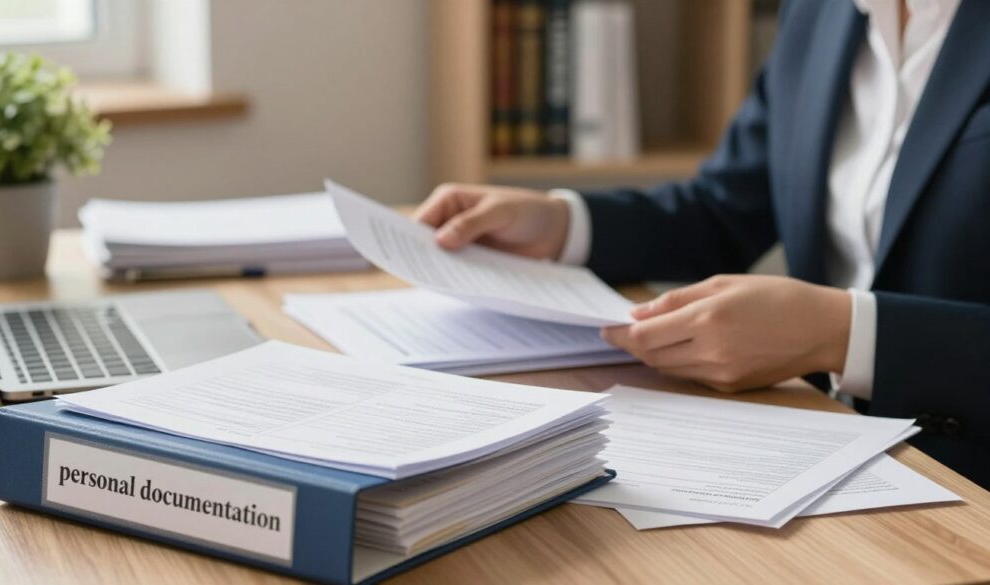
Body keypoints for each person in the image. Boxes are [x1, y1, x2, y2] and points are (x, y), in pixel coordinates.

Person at [414, 0, 990, 488]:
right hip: (825, 455)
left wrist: (840, 334)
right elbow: (725, 210)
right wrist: (565, 222)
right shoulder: (823, 10)